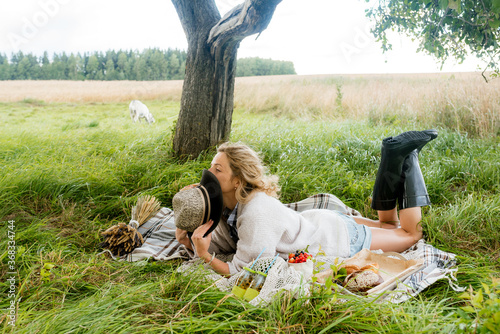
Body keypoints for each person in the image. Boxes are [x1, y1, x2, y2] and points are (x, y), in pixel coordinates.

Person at [174, 130, 438, 276]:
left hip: (340, 237)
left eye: (217, 170)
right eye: (210, 167)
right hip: (321, 223)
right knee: (388, 223)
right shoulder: (229, 207)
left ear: (237, 181)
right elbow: (220, 241)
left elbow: (242, 272)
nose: (208, 175)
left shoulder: (255, 213)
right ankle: (393, 153)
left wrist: (205, 256)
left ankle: (408, 158)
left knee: (410, 234)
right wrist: (186, 230)